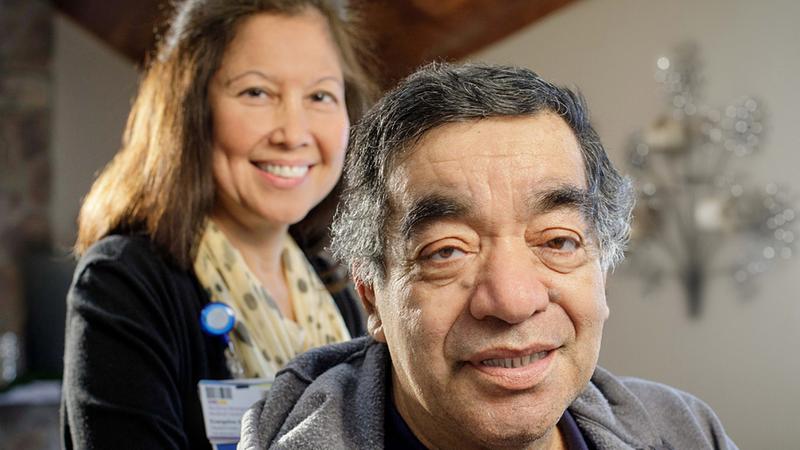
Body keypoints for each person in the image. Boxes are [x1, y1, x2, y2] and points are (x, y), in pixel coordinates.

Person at [238, 62, 739, 449]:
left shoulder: (688, 431)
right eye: (447, 251)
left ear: (601, 272)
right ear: (371, 296)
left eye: (558, 241)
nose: (513, 301)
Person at [61, 0, 376, 448]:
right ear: (191, 109)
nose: (293, 132)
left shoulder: (338, 289)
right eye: (257, 93)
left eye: (320, 95)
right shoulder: (122, 282)